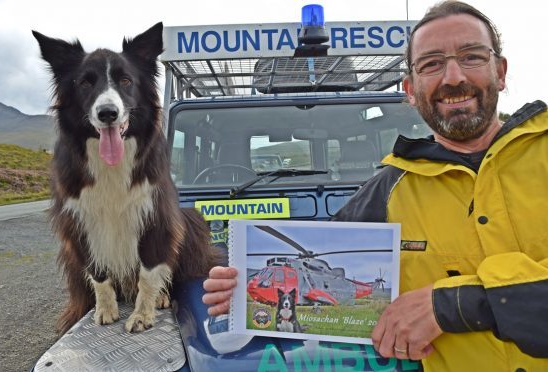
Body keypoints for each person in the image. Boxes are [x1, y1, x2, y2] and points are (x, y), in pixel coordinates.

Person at [202, 1, 548, 370]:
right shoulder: (386, 190)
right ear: (411, 89)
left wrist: (451, 306)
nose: (452, 77)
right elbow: (323, 254)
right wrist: (236, 289)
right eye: (431, 64)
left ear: (501, 71)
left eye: (471, 56)